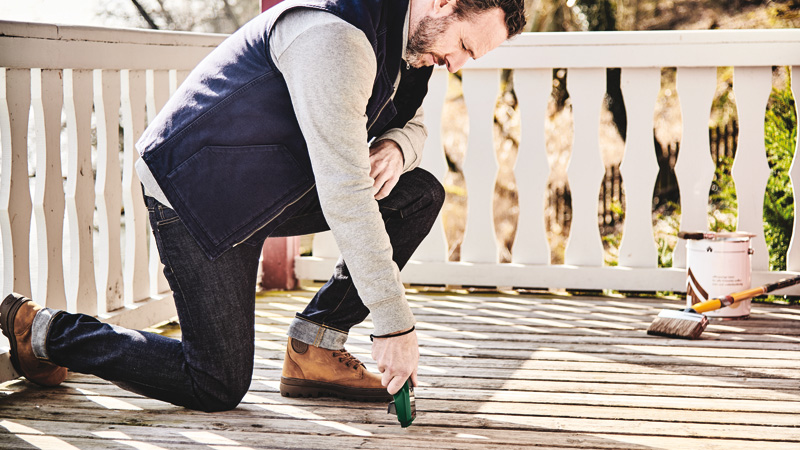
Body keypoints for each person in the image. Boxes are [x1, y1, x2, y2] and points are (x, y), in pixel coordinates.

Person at [1, 0, 526, 412]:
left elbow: (412, 123)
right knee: (215, 382)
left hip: (270, 189)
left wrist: (396, 145)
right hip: (200, 192)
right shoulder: (337, 36)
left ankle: (315, 346)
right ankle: (44, 330)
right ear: (443, 3)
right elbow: (346, 191)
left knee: (418, 195)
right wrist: (394, 325)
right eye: (464, 46)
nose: (456, 65)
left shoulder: (411, 45)